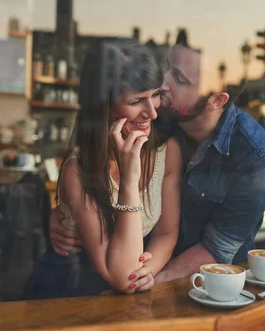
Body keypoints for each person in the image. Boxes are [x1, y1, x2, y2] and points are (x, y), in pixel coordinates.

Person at [49, 42, 265, 286]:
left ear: (215, 99)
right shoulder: (160, 116)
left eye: (179, 79)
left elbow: (216, 249)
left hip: (202, 283)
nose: (162, 84)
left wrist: (145, 281)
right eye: (168, 68)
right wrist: (65, 213)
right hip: (104, 274)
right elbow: (91, 146)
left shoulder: (255, 159)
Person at [22, 41, 182, 299]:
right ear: (103, 107)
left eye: (155, 95)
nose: (151, 112)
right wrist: (130, 179)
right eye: (137, 100)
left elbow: (166, 233)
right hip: (69, 295)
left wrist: (147, 271)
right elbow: (122, 276)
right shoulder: (79, 170)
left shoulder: (166, 150)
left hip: (128, 298)